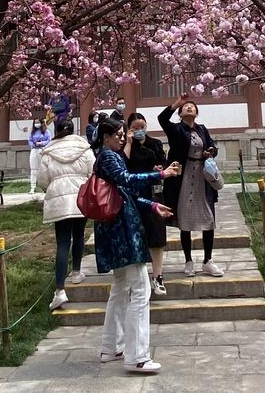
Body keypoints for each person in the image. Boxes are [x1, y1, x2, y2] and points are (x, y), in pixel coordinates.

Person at [93, 118, 179, 374]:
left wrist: (152, 205)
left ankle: (112, 347)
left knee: (120, 289)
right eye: (118, 134)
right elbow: (127, 180)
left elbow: (124, 192)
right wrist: (161, 174)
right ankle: (137, 356)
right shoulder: (108, 157)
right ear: (105, 136)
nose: (123, 138)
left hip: (118, 228)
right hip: (122, 231)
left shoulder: (110, 157)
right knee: (141, 289)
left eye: (123, 134)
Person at [158, 93, 223, 278]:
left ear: (196, 112)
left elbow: (212, 146)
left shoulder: (202, 129)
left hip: (202, 177)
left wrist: (210, 151)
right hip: (184, 177)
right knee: (184, 219)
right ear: (180, 113)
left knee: (208, 218)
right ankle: (188, 261)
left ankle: (208, 261)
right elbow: (162, 119)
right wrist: (176, 102)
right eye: (185, 107)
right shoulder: (176, 130)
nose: (189, 108)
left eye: (192, 106)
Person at [38, 117, 95, 311]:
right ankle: (77, 271)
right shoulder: (84, 148)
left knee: (63, 243)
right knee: (79, 234)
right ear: (73, 129)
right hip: (81, 195)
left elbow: (43, 180)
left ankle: (60, 290)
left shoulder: (48, 151)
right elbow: (92, 172)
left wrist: (52, 189)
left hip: (59, 198)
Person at [123, 112, 168, 296]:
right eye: (135, 127)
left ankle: (158, 277)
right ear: (129, 129)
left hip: (153, 193)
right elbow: (123, 165)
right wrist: (129, 143)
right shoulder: (126, 146)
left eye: (142, 126)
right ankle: (136, 279)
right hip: (133, 195)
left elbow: (162, 163)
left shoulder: (155, 144)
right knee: (135, 236)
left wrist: (159, 169)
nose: (140, 130)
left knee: (157, 237)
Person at [28, 119, 51, 194]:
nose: (36, 124)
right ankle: (33, 187)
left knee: (43, 169)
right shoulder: (33, 132)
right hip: (34, 150)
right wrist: (33, 144)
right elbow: (30, 140)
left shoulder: (46, 132)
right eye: (35, 122)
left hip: (42, 150)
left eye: (38, 122)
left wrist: (41, 143)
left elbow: (49, 140)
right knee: (33, 169)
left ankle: (44, 186)